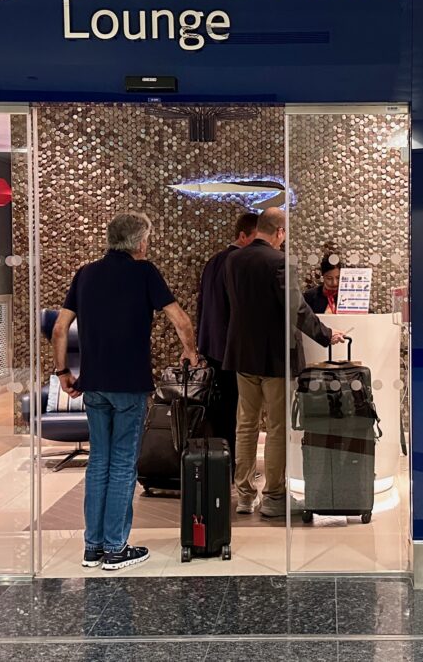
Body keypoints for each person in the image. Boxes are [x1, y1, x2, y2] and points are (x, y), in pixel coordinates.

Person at [52, 211, 198, 571]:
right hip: (129, 385)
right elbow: (180, 320)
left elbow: (59, 329)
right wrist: (190, 351)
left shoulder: (85, 274)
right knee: (121, 465)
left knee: (98, 461)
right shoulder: (145, 272)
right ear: (140, 242)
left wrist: (62, 372)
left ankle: (92, 547)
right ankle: (116, 548)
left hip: (94, 384)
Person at [223, 207, 345, 517]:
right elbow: (297, 309)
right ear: (279, 232)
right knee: (276, 427)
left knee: (246, 424)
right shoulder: (279, 262)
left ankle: (245, 495)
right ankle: (275, 497)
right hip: (275, 357)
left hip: (242, 355)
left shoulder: (233, 260)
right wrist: (325, 334)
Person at [196, 212, 259, 466]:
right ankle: (233, 464)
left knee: (220, 408)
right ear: (242, 236)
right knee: (236, 410)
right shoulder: (239, 262)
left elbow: (202, 305)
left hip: (212, 345)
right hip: (232, 348)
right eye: (256, 238)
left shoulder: (213, 261)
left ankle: (221, 462)